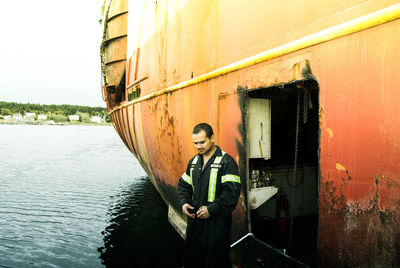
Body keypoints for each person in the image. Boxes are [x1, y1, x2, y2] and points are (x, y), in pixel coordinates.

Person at [178, 123, 241, 268]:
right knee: (192, 260)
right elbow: (183, 185)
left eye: (202, 142)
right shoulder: (193, 162)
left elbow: (232, 194)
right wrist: (183, 202)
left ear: (212, 138)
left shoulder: (227, 162)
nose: (198, 146)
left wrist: (211, 210)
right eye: (195, 143)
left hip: (217, 225)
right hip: (195, 223)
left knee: (216, 261)